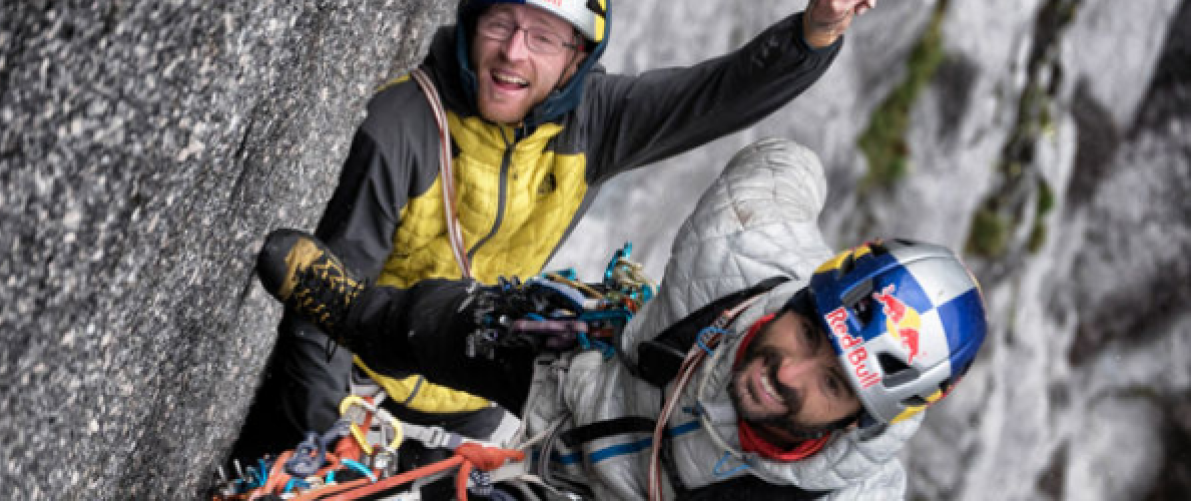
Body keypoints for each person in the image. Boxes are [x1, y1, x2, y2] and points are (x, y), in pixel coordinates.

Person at [232, 0, 883, 463]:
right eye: (499, 24)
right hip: (358, 383)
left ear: (577, 58)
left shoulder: (593, 122)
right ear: (469, 28)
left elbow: (716, 95)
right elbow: (322, 301)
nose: (515, 52)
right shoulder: (400, 125)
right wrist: (329, 435)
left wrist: (815, 32)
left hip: (475, 391)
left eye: (544, 37)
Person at [255, 138, 989, 500]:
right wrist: (813, 39)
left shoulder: (844, 494)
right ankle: (356, 313)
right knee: (453, 323)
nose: (786, 372)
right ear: (802, 296)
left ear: (863, 419)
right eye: (810, 333)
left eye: (832, 381)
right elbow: (785, 161)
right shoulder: (746, 246)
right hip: (589, 378)